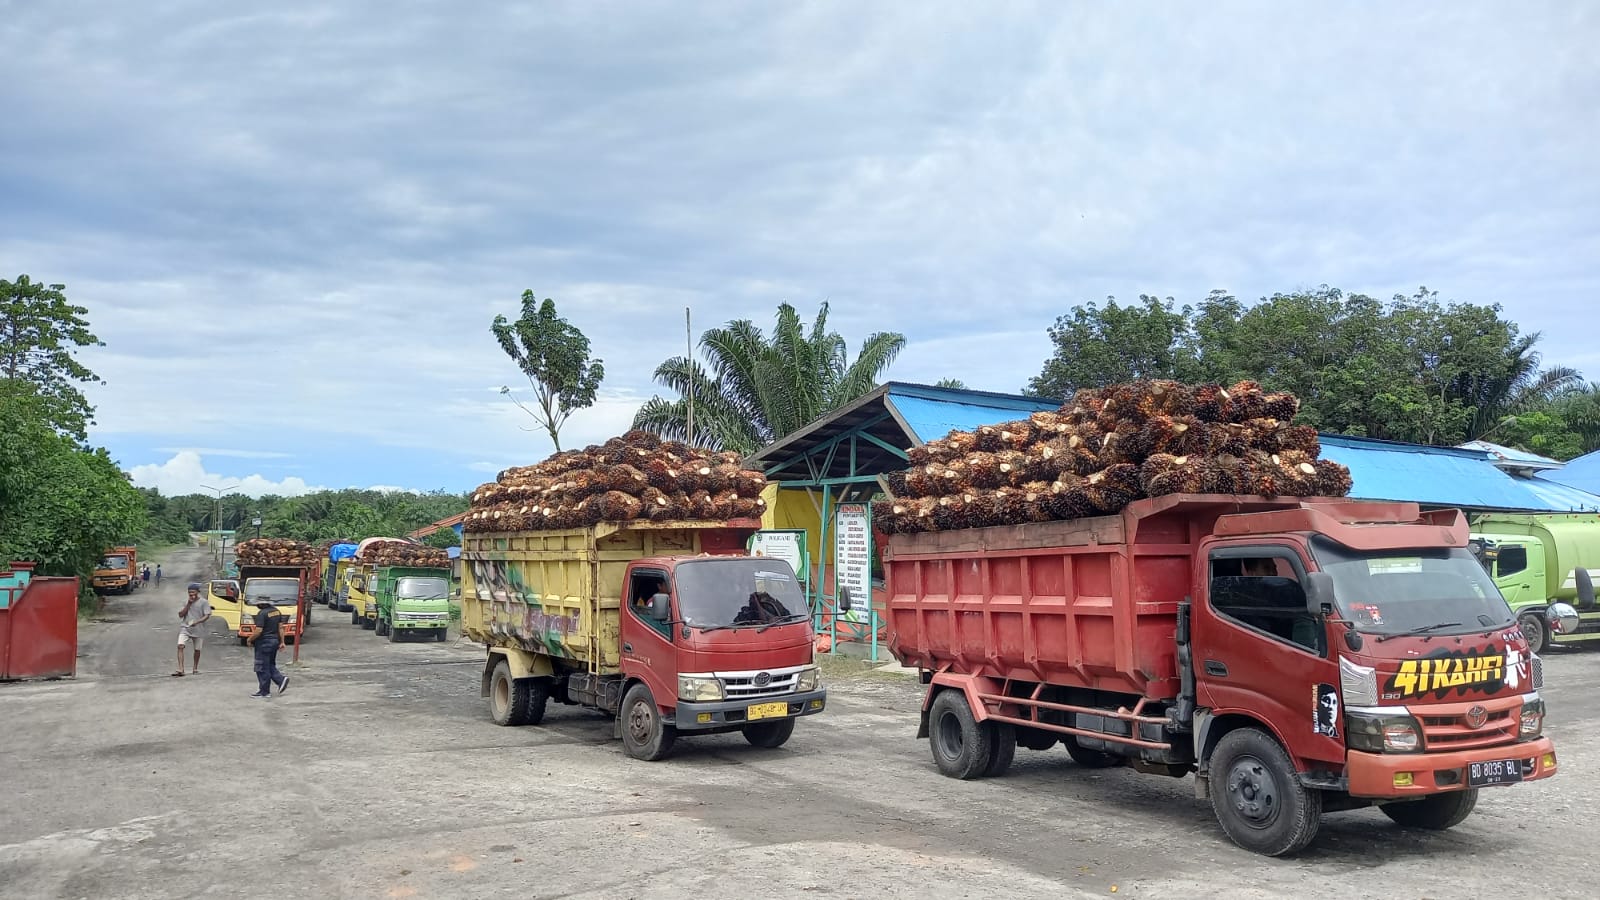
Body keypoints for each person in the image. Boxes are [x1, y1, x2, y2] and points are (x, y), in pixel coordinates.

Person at [245, 598, 290, 698]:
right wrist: (282, 642)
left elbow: (258, 631)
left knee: (261, 667)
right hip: (274, 642)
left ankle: (264, 691)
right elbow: (281, 628)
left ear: (261, 605)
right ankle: (281, 680)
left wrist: (249, 639)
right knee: (269, 664)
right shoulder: (276, 611)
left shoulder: (262, 613)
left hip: (264, 643)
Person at [174, 583, 212, 676]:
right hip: (185, 628)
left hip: (198, 629)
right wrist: (188, 604)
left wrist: (197, 622)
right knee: (180, 646)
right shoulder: (185, 601)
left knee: (197, 650)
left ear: (198, 592)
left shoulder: (204, 602)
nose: (191, 594)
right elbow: (180, 615)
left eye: (193, 592)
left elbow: (207, 615)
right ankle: (181, 669)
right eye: (189, 592)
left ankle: (195, 668)